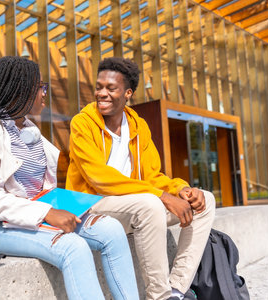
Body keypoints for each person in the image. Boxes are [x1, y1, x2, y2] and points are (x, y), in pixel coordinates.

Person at [0, 56, 139, 300]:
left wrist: (61, 207)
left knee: (112, 229)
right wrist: (45, 213)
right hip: (1, 227)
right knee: (74, 248)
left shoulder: (31, 131)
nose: (45, 94)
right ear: (19, 89)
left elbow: (44, 188)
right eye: (40, 87)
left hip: (41, 216)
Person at [66, 57, 215, 300]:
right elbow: (99, 177)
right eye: (99, 86)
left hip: (133, 207)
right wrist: (161, 196)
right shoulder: (82, 123)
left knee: (204, 201)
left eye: (110, 88)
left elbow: (153, 175)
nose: (101, 93)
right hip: (90, 204)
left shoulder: (138, 125)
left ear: (127, 93)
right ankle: (159, 295)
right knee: (150, 204)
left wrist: (182, 190)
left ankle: (176, 288)